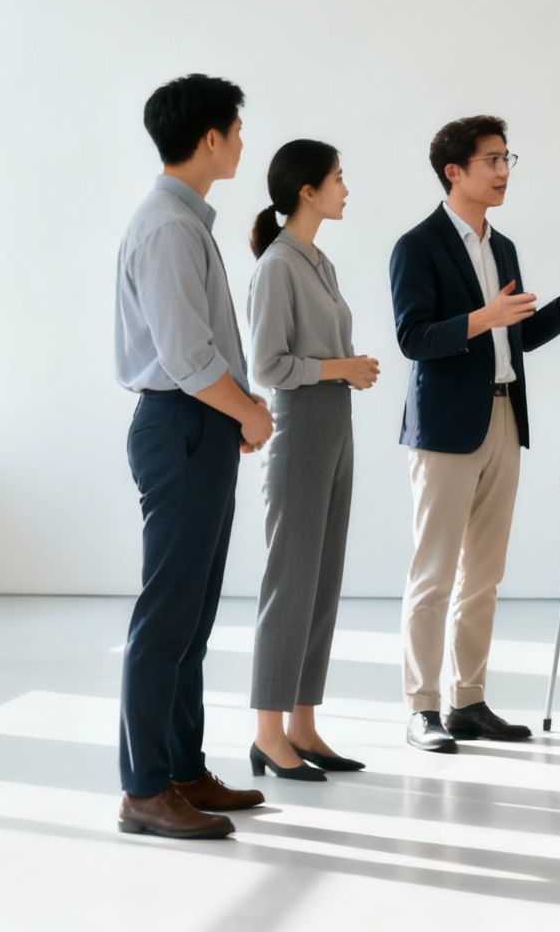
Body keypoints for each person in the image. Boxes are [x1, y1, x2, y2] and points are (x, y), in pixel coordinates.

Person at [390, 115, 560, 752]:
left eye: (507, 158)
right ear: (453, 171)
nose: (503, 171)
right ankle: (421, 708)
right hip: (443, 430)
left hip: (502, 417)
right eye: (491, 160)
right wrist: (482, 317)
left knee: (483, 575)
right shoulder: (418, 246)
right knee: (433, 573)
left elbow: (516, 338)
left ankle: (468, 701)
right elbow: (413, 338)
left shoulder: (504, 248)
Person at [112, 73, 274, 839]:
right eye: (236, 130)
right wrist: (247, 412)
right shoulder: (171, 228)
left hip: (198, 424)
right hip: (182, 426)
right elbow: (185, 355)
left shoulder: (184, 220)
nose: (242, 142)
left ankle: (181, 770)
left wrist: (235, 415)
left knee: (193, 617)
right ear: (209, 138)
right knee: (168, 616)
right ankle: (145, 789)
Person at [244, 139, 380, 781]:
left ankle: (302, 724)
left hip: (336, 424)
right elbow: (266, 365)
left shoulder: (319, 262)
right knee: (290, 580)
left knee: (323, 578)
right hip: (300, 429)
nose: (346, 189)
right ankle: (267, 732)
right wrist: (340, 367)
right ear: (308, 190)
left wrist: (346, 375)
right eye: (339, 178)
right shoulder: (277, 267)